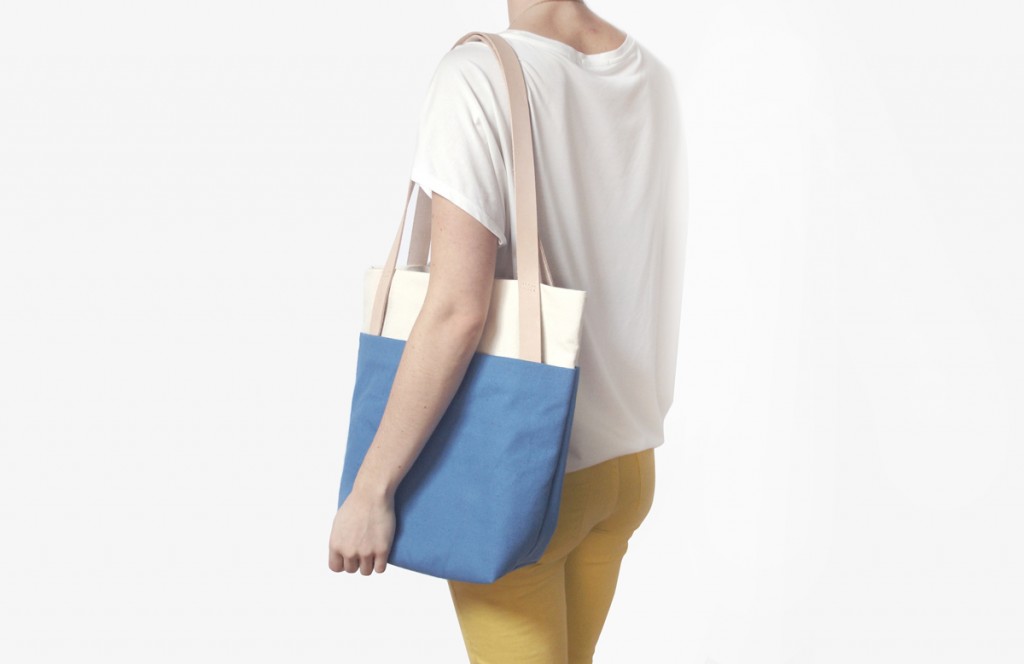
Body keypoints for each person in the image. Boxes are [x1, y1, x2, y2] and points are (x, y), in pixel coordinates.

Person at [328, 0, 685, 661]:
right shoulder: (649, 75)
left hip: (526, 467)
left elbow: (456, 309)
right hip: (627, 465)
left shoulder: (475, 76)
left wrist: (370, 489)